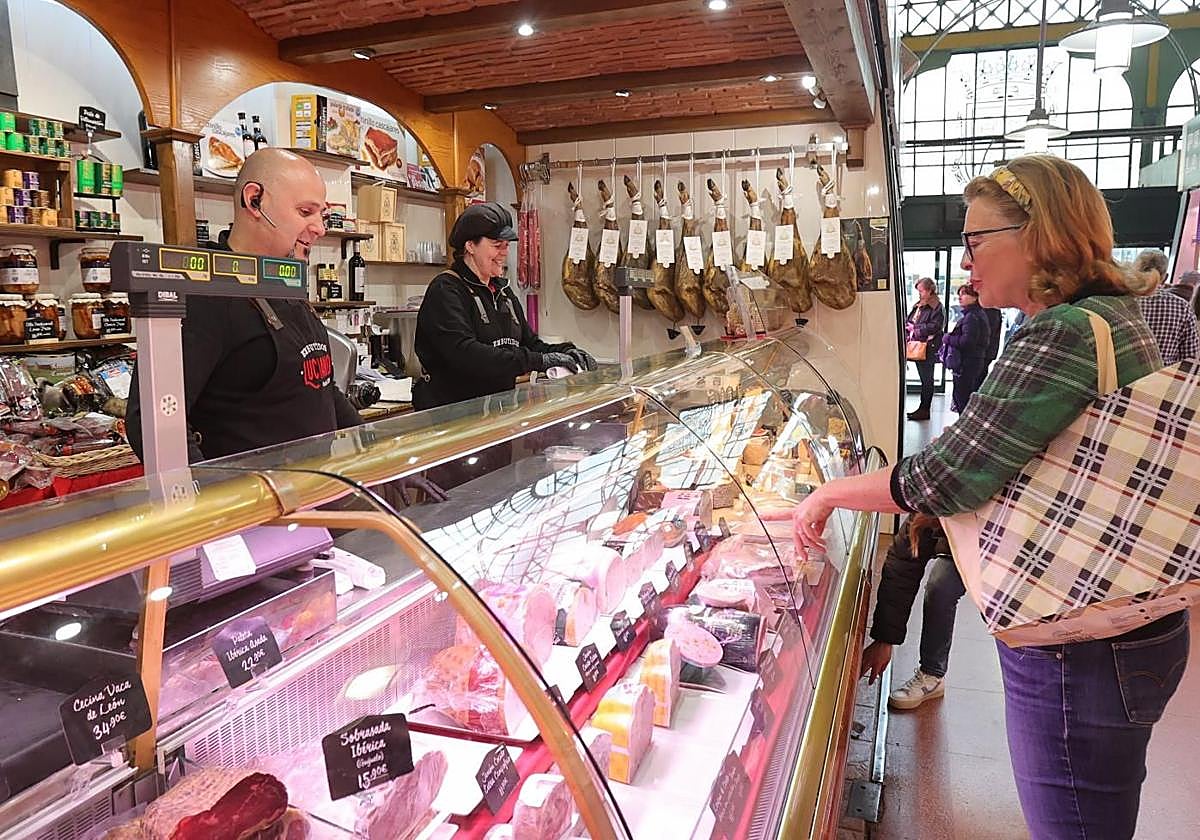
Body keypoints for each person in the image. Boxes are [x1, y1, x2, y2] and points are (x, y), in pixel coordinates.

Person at [770, 155, 1183, 839]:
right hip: (1126, 623)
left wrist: (831, 493)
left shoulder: (1063, 333)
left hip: (1077, 639)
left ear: (1038, 234)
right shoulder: (1111, 317)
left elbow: (946, 477)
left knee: (1075, 826)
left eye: (975, 240)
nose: (967, 262)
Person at [127, 148, 360, 463]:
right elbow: (154, 422)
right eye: (306, 212)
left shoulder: (287, 286)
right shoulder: (204, 293)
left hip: (312, 496)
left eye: (321, 214)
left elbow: (321, 389)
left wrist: (376, 452)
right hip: (252, 504)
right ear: (254, 200)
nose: (319, 227)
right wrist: (214, 499)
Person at [412, 202, 597, 411]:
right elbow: (466, 354)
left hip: (496, 413)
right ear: (470, 245)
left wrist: (566, 352)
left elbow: (529, 344)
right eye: (496, 245)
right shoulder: (446, 290)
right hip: (450, 415)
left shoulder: (502, 291)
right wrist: (540, 361)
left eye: (507, 246)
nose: (504, 253)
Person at [860, 513, 966, 710]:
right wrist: (885, 638)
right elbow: (904, 561)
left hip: (1019, 540)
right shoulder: (936, 495)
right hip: (963, 533)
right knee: (941, 587)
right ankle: (932, 674)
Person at [1133, 249, 1199, 365]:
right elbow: (1191, 358)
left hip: (1122, 380)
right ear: (1165, 277)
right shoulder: (1182, 308)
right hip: (1164, 380)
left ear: (1134, 272)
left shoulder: (1120, 302)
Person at [940, 284, 991, 412]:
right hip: (973, 361)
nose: (960, 297)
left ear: (974, 297)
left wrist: (947, 338)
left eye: (964, 294)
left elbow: (967, 341)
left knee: (962, 397)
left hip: (967, 362)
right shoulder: (976, 314)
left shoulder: (972, 317)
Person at [904, 277, 944, 421]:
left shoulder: (936, 306)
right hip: (917, 345)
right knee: (924, 378)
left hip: (928, 347)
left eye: (921, 291)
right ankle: (922, 409)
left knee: (927, 380)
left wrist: (915, 328)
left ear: (929, 290)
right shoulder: (919, 305)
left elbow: (936, 326)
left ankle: (924, 409)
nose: (919, 293)